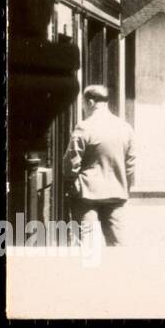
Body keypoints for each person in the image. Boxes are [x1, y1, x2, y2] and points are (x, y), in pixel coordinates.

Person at [62, 85, 135, 247]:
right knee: (118, 244)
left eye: (82, 103)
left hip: (86, 194)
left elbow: (70, 162)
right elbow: (130, 164)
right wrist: (124, 187)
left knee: (87, 244)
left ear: (90, 102)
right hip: (116, 193)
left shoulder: (84, 127)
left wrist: (71, 180)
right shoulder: (125, 128)